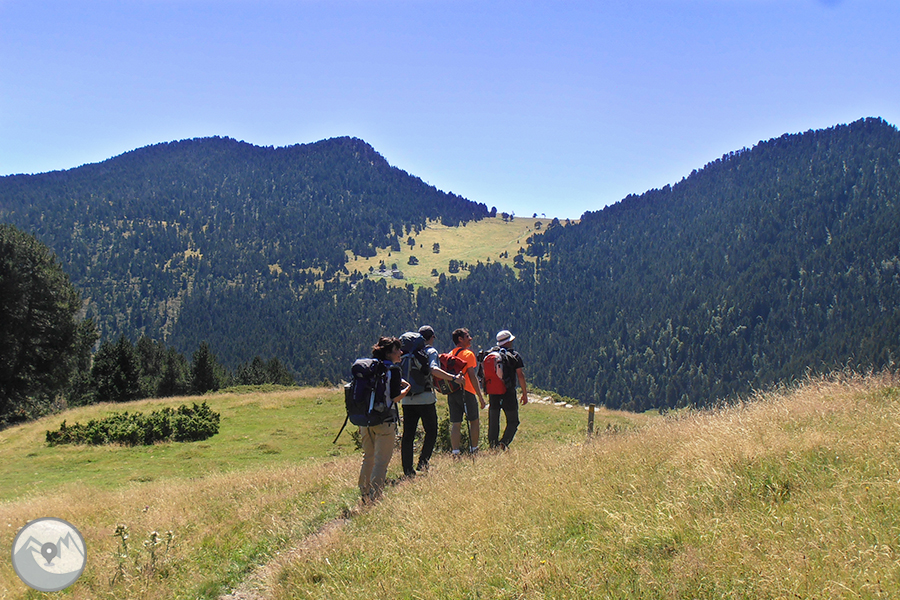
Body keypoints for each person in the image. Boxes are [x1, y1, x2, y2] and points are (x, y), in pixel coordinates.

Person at [401, 325, 463, 477]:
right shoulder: (430, 352)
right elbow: (433, 370)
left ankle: (408, 470)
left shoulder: (405, 353)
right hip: (426, 398)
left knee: (408, 435)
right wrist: (453, 378)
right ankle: (423, 462)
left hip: (407, 398)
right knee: (431, 431)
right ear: (431, 337)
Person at [359, 336, 409, 503]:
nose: (400, 352)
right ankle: (376, 496)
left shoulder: (370, 368)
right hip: (385, 421)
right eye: (397, 350)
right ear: (388, 353)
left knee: (368, 457)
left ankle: (364, 493)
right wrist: (407, 389)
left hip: (366, 420)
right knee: (381, 462)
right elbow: (395, 397)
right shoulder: (393, 370)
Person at [448, 328, 486, 456]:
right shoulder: (468, 354)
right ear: (460, 339)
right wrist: (480, 396)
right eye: (467, 336)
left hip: (452, 391)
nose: (470, 339)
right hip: (467, 391)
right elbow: (472, 376)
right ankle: (474, 449)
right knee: (474, 421)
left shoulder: (450, 354)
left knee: (456, 423)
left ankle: (455, 452)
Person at [487, 329, 527, 450]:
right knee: (513, 421)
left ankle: (492, 446)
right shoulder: (514, 355)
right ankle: (503, 443)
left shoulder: (490, 354)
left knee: (493, 420)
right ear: (508, 342)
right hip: (508, 392)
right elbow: (520, 375)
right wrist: (524, 393)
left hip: (493, 391)